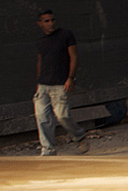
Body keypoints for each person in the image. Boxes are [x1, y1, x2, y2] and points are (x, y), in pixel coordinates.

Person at [33, 9, 87, 156]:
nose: (51, 23)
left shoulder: (65, 35)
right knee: (42, 118)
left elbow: (74, 56)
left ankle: (79, 136)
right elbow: (40, 61)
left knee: (62, 116)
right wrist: (38, 83)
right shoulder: (40, 41)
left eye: (52, 20)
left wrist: (71, 77)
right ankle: (48, 150)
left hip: (60, 84)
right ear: (40, 24)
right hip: (43, 85)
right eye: (46, 21)